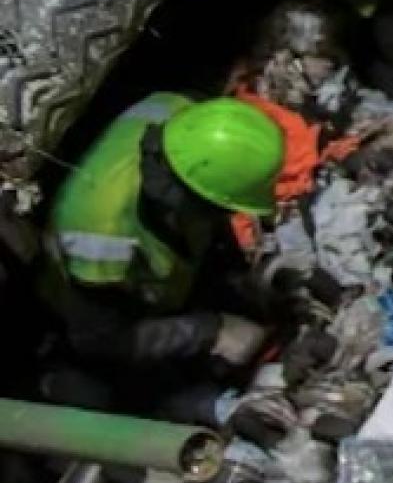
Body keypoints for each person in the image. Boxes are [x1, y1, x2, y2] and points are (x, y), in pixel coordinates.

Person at [39, 94, 285, 418]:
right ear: (184, 198)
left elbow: (211, 208)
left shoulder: (186, 124)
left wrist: (241, 277)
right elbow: (100, 339)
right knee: (120, 397)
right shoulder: (98, 233)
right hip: (85, 315)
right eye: (221, 209)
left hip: (164, 271)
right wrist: (210, 332)